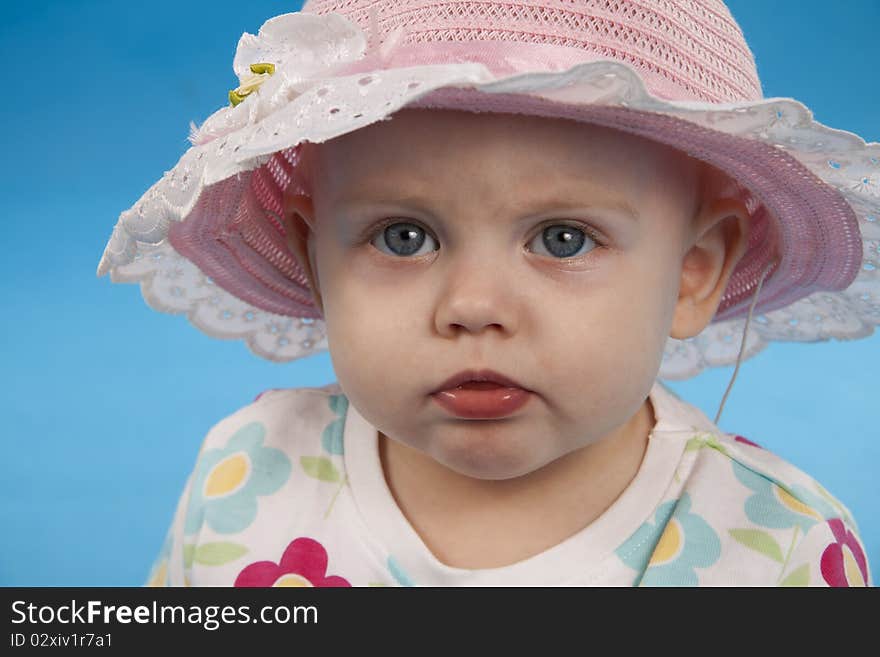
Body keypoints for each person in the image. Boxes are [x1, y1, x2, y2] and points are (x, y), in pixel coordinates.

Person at [97, 0, 876, 586]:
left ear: (695, 269)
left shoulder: (777, 547)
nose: (473, 305)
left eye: (562, 238)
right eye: (403, 236)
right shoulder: (248, 474)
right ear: (313, 255)